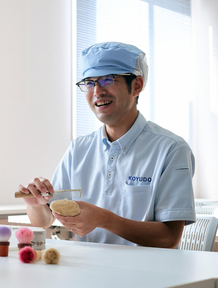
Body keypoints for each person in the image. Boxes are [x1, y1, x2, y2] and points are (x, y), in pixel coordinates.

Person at [18, 41, 195, 248]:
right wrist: (37, 205)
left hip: (148, 275)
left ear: (136, 86)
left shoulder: (171, 149)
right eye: (89, 82)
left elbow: (169, 238)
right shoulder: (79, 149)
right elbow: (46, 220)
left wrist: (105, 219)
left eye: (107, 80)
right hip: (89, 271)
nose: (97, 91)